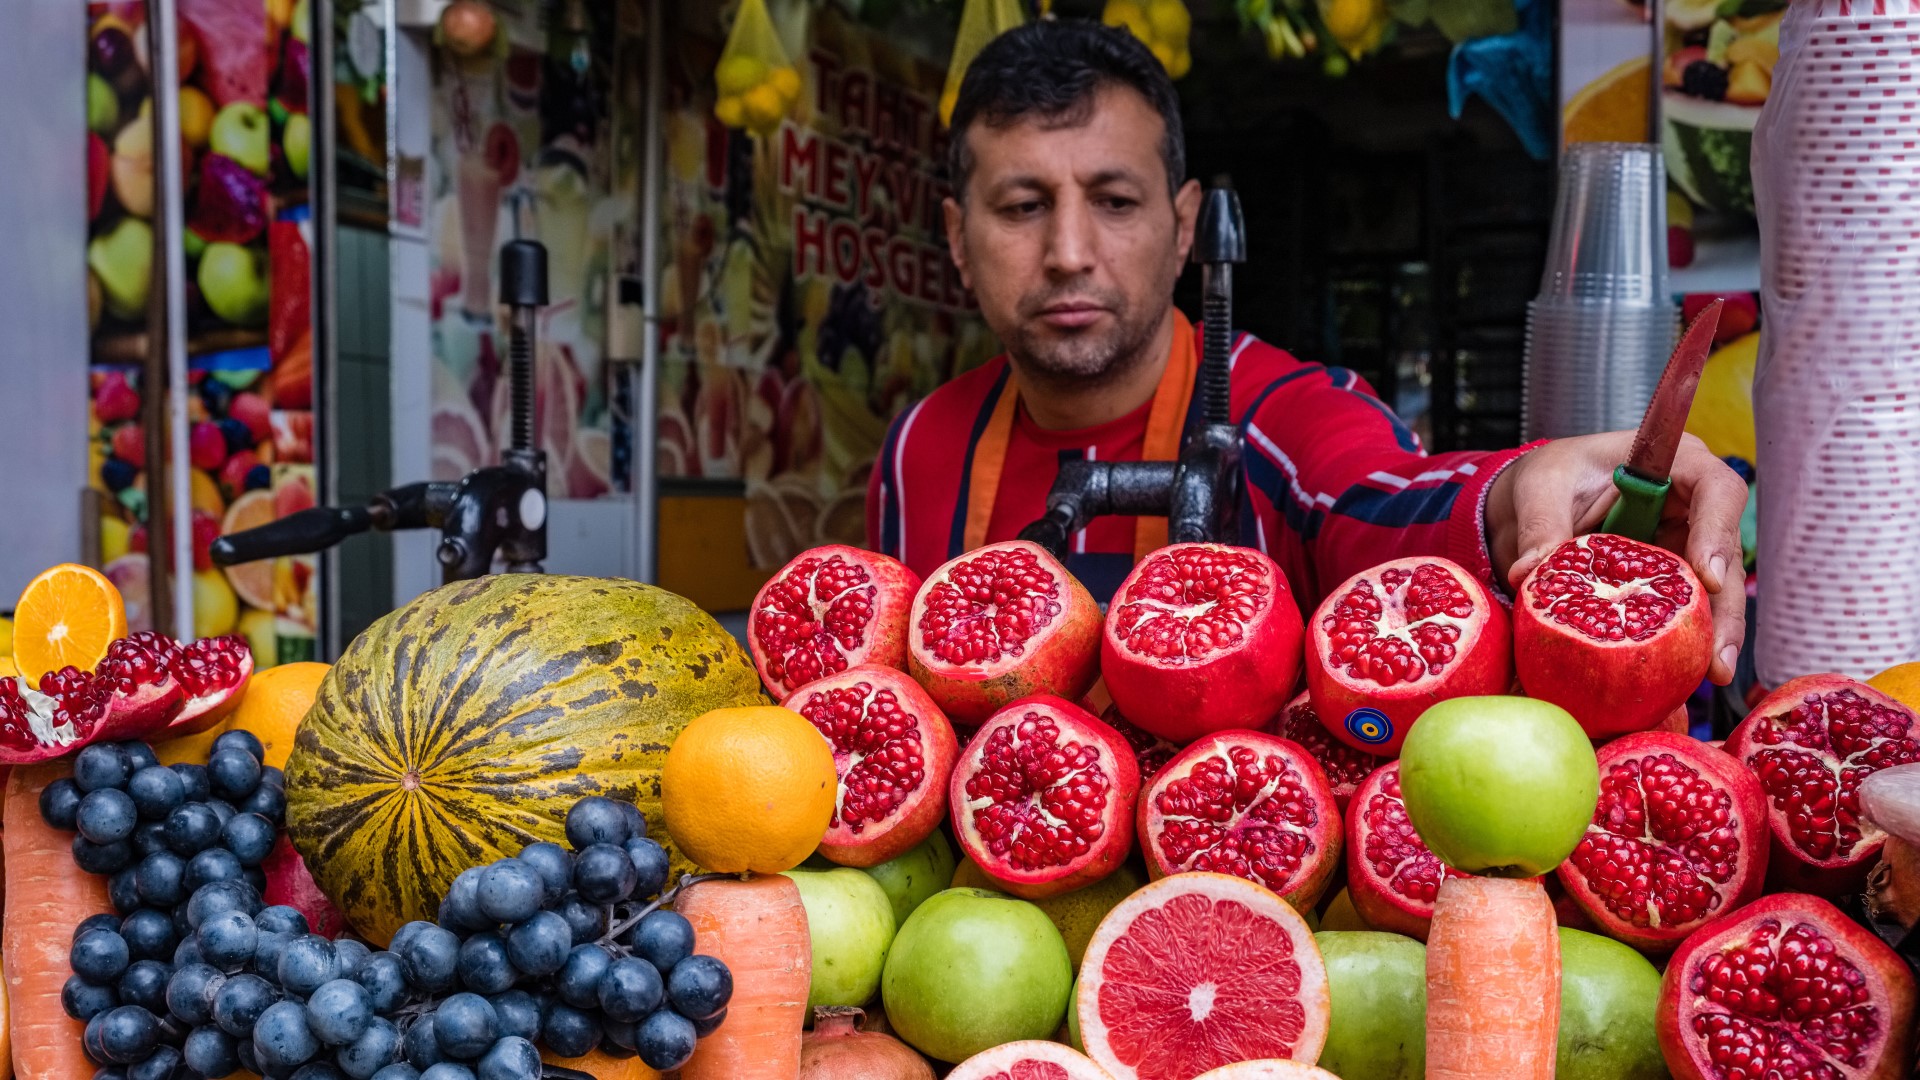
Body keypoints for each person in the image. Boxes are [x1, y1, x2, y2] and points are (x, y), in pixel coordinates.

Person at [865, 20, 1747, 687]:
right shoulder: (916, 451)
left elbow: (1382, 498)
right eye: (1022, 205)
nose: (1067, 251)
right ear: (955, 236)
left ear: (1182, 230)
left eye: (1114, 202)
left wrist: (1524, 492)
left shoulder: (1285, 413)